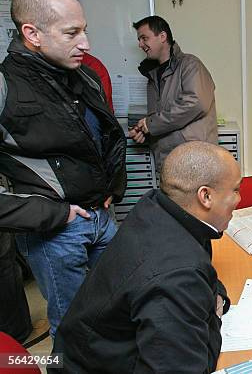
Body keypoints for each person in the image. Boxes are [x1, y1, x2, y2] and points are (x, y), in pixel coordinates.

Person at [0, 0, 126, 336]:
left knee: (117, 310)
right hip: (57, 230)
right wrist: (56, 215)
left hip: (102, 215)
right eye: (72, 33)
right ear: (32, 33)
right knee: (74, 330)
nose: (85, 43)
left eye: (84, 31)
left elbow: (105, 137)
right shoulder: (5, 87)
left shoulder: (84, 76)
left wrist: (112, 188)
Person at [52, 142, 238, 373]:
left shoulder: (157, 208)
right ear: (206, 196)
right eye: (236, 190)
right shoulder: (176, 274)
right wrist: (214, 316)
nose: (239, 199)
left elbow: (203, 277)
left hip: (85, 353)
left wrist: (213, 296)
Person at [128, 15, 218, 170]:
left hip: (194, 161)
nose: (140, 44)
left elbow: (196, 104)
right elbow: (161, 119)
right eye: (139, 40)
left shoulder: (190, 65)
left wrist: (151, 124)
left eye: (144, 38)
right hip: (167, 161)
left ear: (162, 36)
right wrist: (145, 133)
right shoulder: (152, 76)